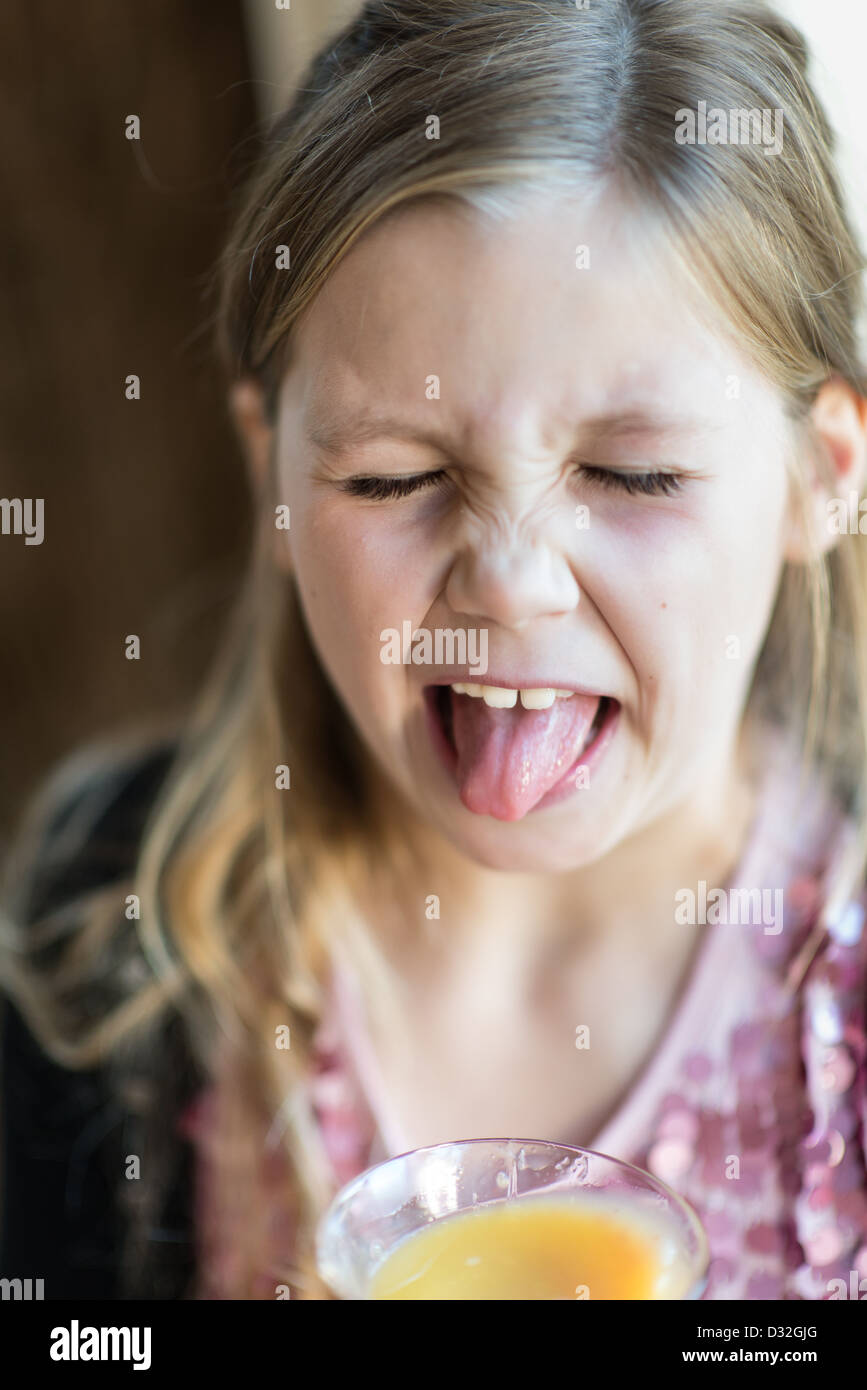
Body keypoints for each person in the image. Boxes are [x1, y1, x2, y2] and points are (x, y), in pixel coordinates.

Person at [2, 0, 867, 1301]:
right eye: (398, 476)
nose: (511, 585)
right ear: (274, 477)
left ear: (820, 476)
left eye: (631, 475)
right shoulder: (105, 938)